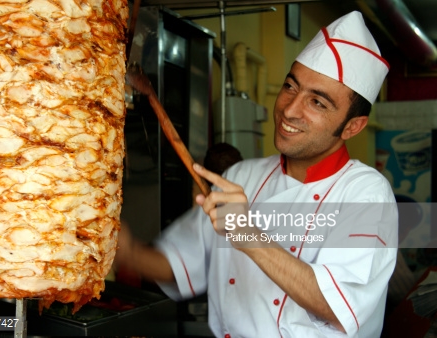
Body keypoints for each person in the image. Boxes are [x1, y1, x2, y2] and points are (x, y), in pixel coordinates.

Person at [116, 11, 398, 337]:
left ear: (352, 126)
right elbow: (180, 264)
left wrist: (246, 233)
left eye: (318, 102)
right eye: (291, 86)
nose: (290, 109)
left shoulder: (366, 193)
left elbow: (337, 306)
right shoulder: (241, 176)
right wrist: (127, 251)